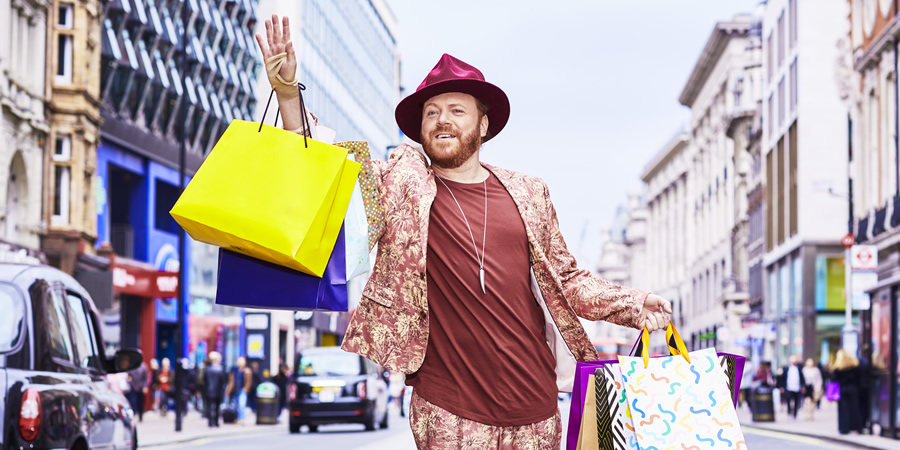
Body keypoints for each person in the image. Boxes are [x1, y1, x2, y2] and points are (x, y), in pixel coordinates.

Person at [255, 16, 674, 449]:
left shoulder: (529, 192)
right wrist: (288, 95)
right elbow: (324, 169)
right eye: (431, 113)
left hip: (536, 413)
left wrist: (634, 303)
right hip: (448, 413)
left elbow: (568, 281)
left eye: (457, 111)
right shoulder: (400, 181)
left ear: (484, 125)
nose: (442, 120)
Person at [833, 349, 863, 434]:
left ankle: (844, 428)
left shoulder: (837, 369)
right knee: (854, 408)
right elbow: (858, 380)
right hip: (853, 389)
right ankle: (855, 427)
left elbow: (834, 381)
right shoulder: (855, 367)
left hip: (842, 390)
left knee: (843, 410)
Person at [225, 357, 253, 424]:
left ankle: (242, 418)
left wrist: (245, 389)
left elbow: (249, 381)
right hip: (235, 390)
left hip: (242, 391)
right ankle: (236, 418)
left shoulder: (247, 371)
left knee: (242, 405)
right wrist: (228, 390)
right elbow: (231, 381)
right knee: (235, 406)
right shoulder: (234, 370)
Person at [202, 352, 227, 428]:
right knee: (217, 407)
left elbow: (204, 380)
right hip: (218, 391)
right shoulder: (220, 369)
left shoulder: (207, 369)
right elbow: (223, 381)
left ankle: (210, 422)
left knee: (209, 406)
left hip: (209, 390)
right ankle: (216, 422)